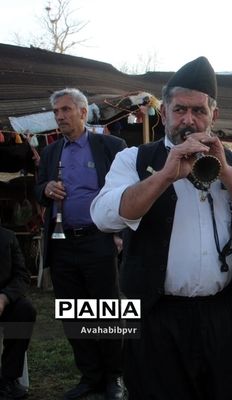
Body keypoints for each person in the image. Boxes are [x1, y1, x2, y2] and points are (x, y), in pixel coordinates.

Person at [90, 56, 232, 400]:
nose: (188, 120)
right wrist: (164, 176)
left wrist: (225, 170)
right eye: (180, 110)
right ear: (164, 113)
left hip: (221, 313)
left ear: (214, 116)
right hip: (155, 314)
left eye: (198, 111)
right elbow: (104, 216)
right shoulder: (134, 159)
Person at [34, 88, 126, 400]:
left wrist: (120, 234)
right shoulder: (49, 152)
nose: (59, 116)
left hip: (98, 240)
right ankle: (90, 376)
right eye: (56, 112)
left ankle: (114, 377)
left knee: (107, 311)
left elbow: (128, 191)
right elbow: (35, 191)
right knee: (73, 313)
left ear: (83, 113)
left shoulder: (110, 146)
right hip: (62, 245)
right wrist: (45, 188)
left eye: (65, 110)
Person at [0, 227, 36, 399]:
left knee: (24, 311)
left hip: (3, 301)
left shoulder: (8, 237)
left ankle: (8, 378)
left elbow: (22, 276)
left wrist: (4, 297)